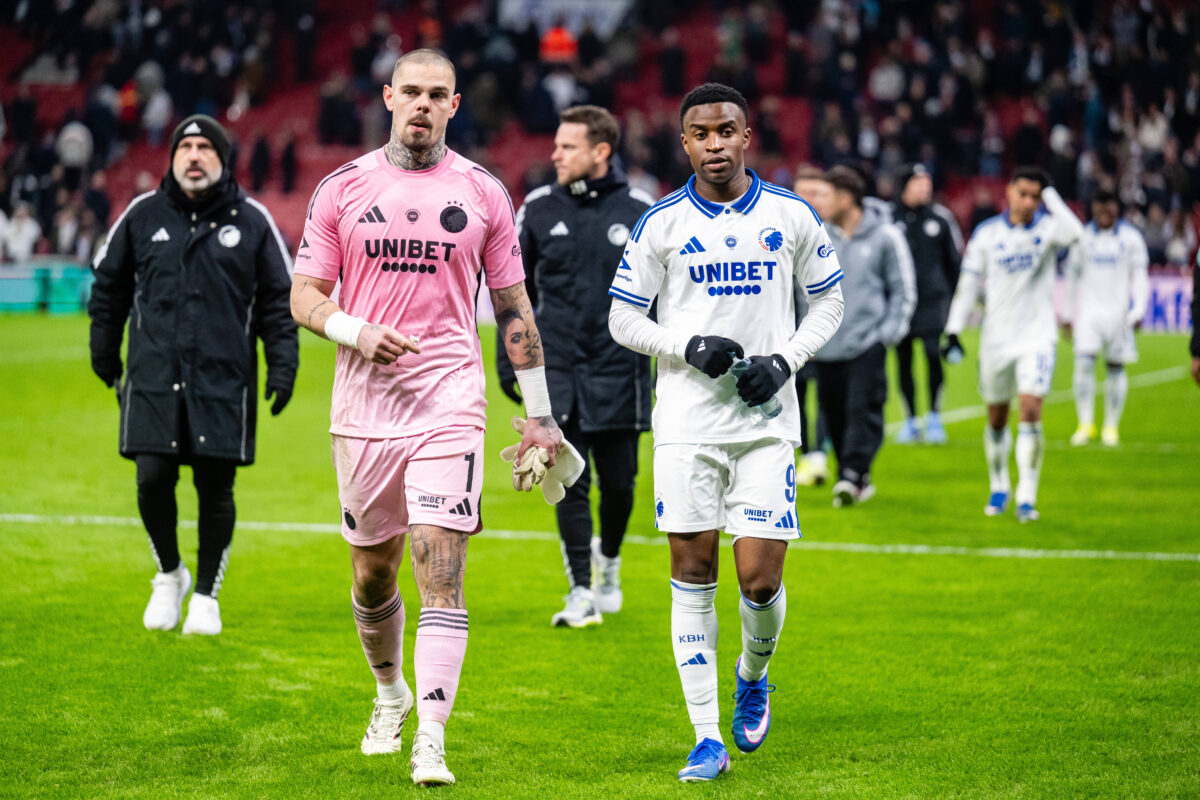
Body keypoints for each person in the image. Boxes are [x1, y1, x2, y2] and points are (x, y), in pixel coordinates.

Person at [288, 49, 564, 787]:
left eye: (437, 94)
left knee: (440, 567)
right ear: (388, 97)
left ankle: (432, 739)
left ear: (454, 104)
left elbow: (514, 310)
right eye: (410, 91)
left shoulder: (483, 192)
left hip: (450, 402)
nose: (422, 104)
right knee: (373, 574)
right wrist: (355, 331)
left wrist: (540, 416)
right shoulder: (342, 188)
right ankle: (390, 695)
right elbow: (304, 295)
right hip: (364, 410)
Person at [607, 83, 844, 782]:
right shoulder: (661, 223)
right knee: (693, 573)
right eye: (701, 134)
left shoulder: (790, 214)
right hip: (686, 426)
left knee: (759, 580)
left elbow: (829, 302)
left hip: (766, 426)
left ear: (746, 136)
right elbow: (623, 318)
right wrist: (686, 347)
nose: (715, 144)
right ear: (684, 142)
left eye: (726, 131)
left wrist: (784, 361)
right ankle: (706, 737)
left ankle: (753, 674)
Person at [88, 114, 298, 636]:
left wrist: (283, 366)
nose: (195, 156)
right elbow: (108, 287)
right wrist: (104, 352)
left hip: (224, 379)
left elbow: (279, 302)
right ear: (173, 157)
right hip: (153, 375)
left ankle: (205, 595)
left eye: (206, 147)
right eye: (186, 147)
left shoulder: (253, 221)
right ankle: (169, 574)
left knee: (215, 486)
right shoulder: (141, 214)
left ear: (223, 159)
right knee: (151, 477)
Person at [497, 105, 654, 627]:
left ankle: (609, 561)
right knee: (567, 478)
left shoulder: (642, 210)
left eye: (568, 146)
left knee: (621, 485)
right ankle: (581, 590)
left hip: (620, 367)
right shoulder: (538, 208)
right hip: (556, 367)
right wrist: (509, 363)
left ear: (601, 151)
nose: (555, 154)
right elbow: (512, 295)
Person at [943, 166, 1083, 522]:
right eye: (1024, 194)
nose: (1029, 202)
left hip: (1037, 337)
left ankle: (1027, 494)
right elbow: (968, 285)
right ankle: (999, 484)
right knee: (997, 418)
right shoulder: (987, 234)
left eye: (1036, 196)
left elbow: (1076, 232)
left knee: (1031, 409)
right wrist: (954, 329)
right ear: (1008, 192)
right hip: (996, 339)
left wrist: (1051, 195)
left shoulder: (1049, 229)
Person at [808, 166, 915, 506]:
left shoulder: (886, 236)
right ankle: (853, 475)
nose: (818, 202)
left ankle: (852, 474)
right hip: (826, 346)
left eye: (824, 195)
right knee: (834, 414)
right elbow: (801, 290)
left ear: (845, 199)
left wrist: (886, 336)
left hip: (867, 342)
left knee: (862, 410)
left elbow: (902, 290)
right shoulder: (816, 237)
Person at [1062, 189, 1149, 446]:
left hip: (1118, 314)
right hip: (1088, 313)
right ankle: (1085, 424)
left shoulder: (1131, 238)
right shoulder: (1082, 237)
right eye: (1099, 206)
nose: (1104, 211)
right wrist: (1067, 313)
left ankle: (1111, 426)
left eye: (1109, 205)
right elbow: (1071, 277)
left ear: (1117, 208)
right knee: (1083, 364)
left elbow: (1140, 276)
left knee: (1115, 367)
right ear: (1093, 209)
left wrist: (1138, 309)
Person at [890, 164, 962, 444]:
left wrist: (954, 302)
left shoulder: (941, 219)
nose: (925, 189)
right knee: (903, 361)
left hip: (933, 302)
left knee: (933, 355)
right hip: (900, 303)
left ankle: (934, 416)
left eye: (927, 183)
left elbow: (954, 263)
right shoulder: (889, 219)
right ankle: (910, 420)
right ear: (904, 186)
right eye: (918, 183)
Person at [790, 166, 833, 486]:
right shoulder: (780, 231)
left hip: (829, 333)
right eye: (804, 192)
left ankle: (821, 453)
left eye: (817, 193)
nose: (810, 198)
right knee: (796, 396)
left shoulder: (836, 234)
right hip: (789, 335)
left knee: (830, 397)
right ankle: (808, 456)